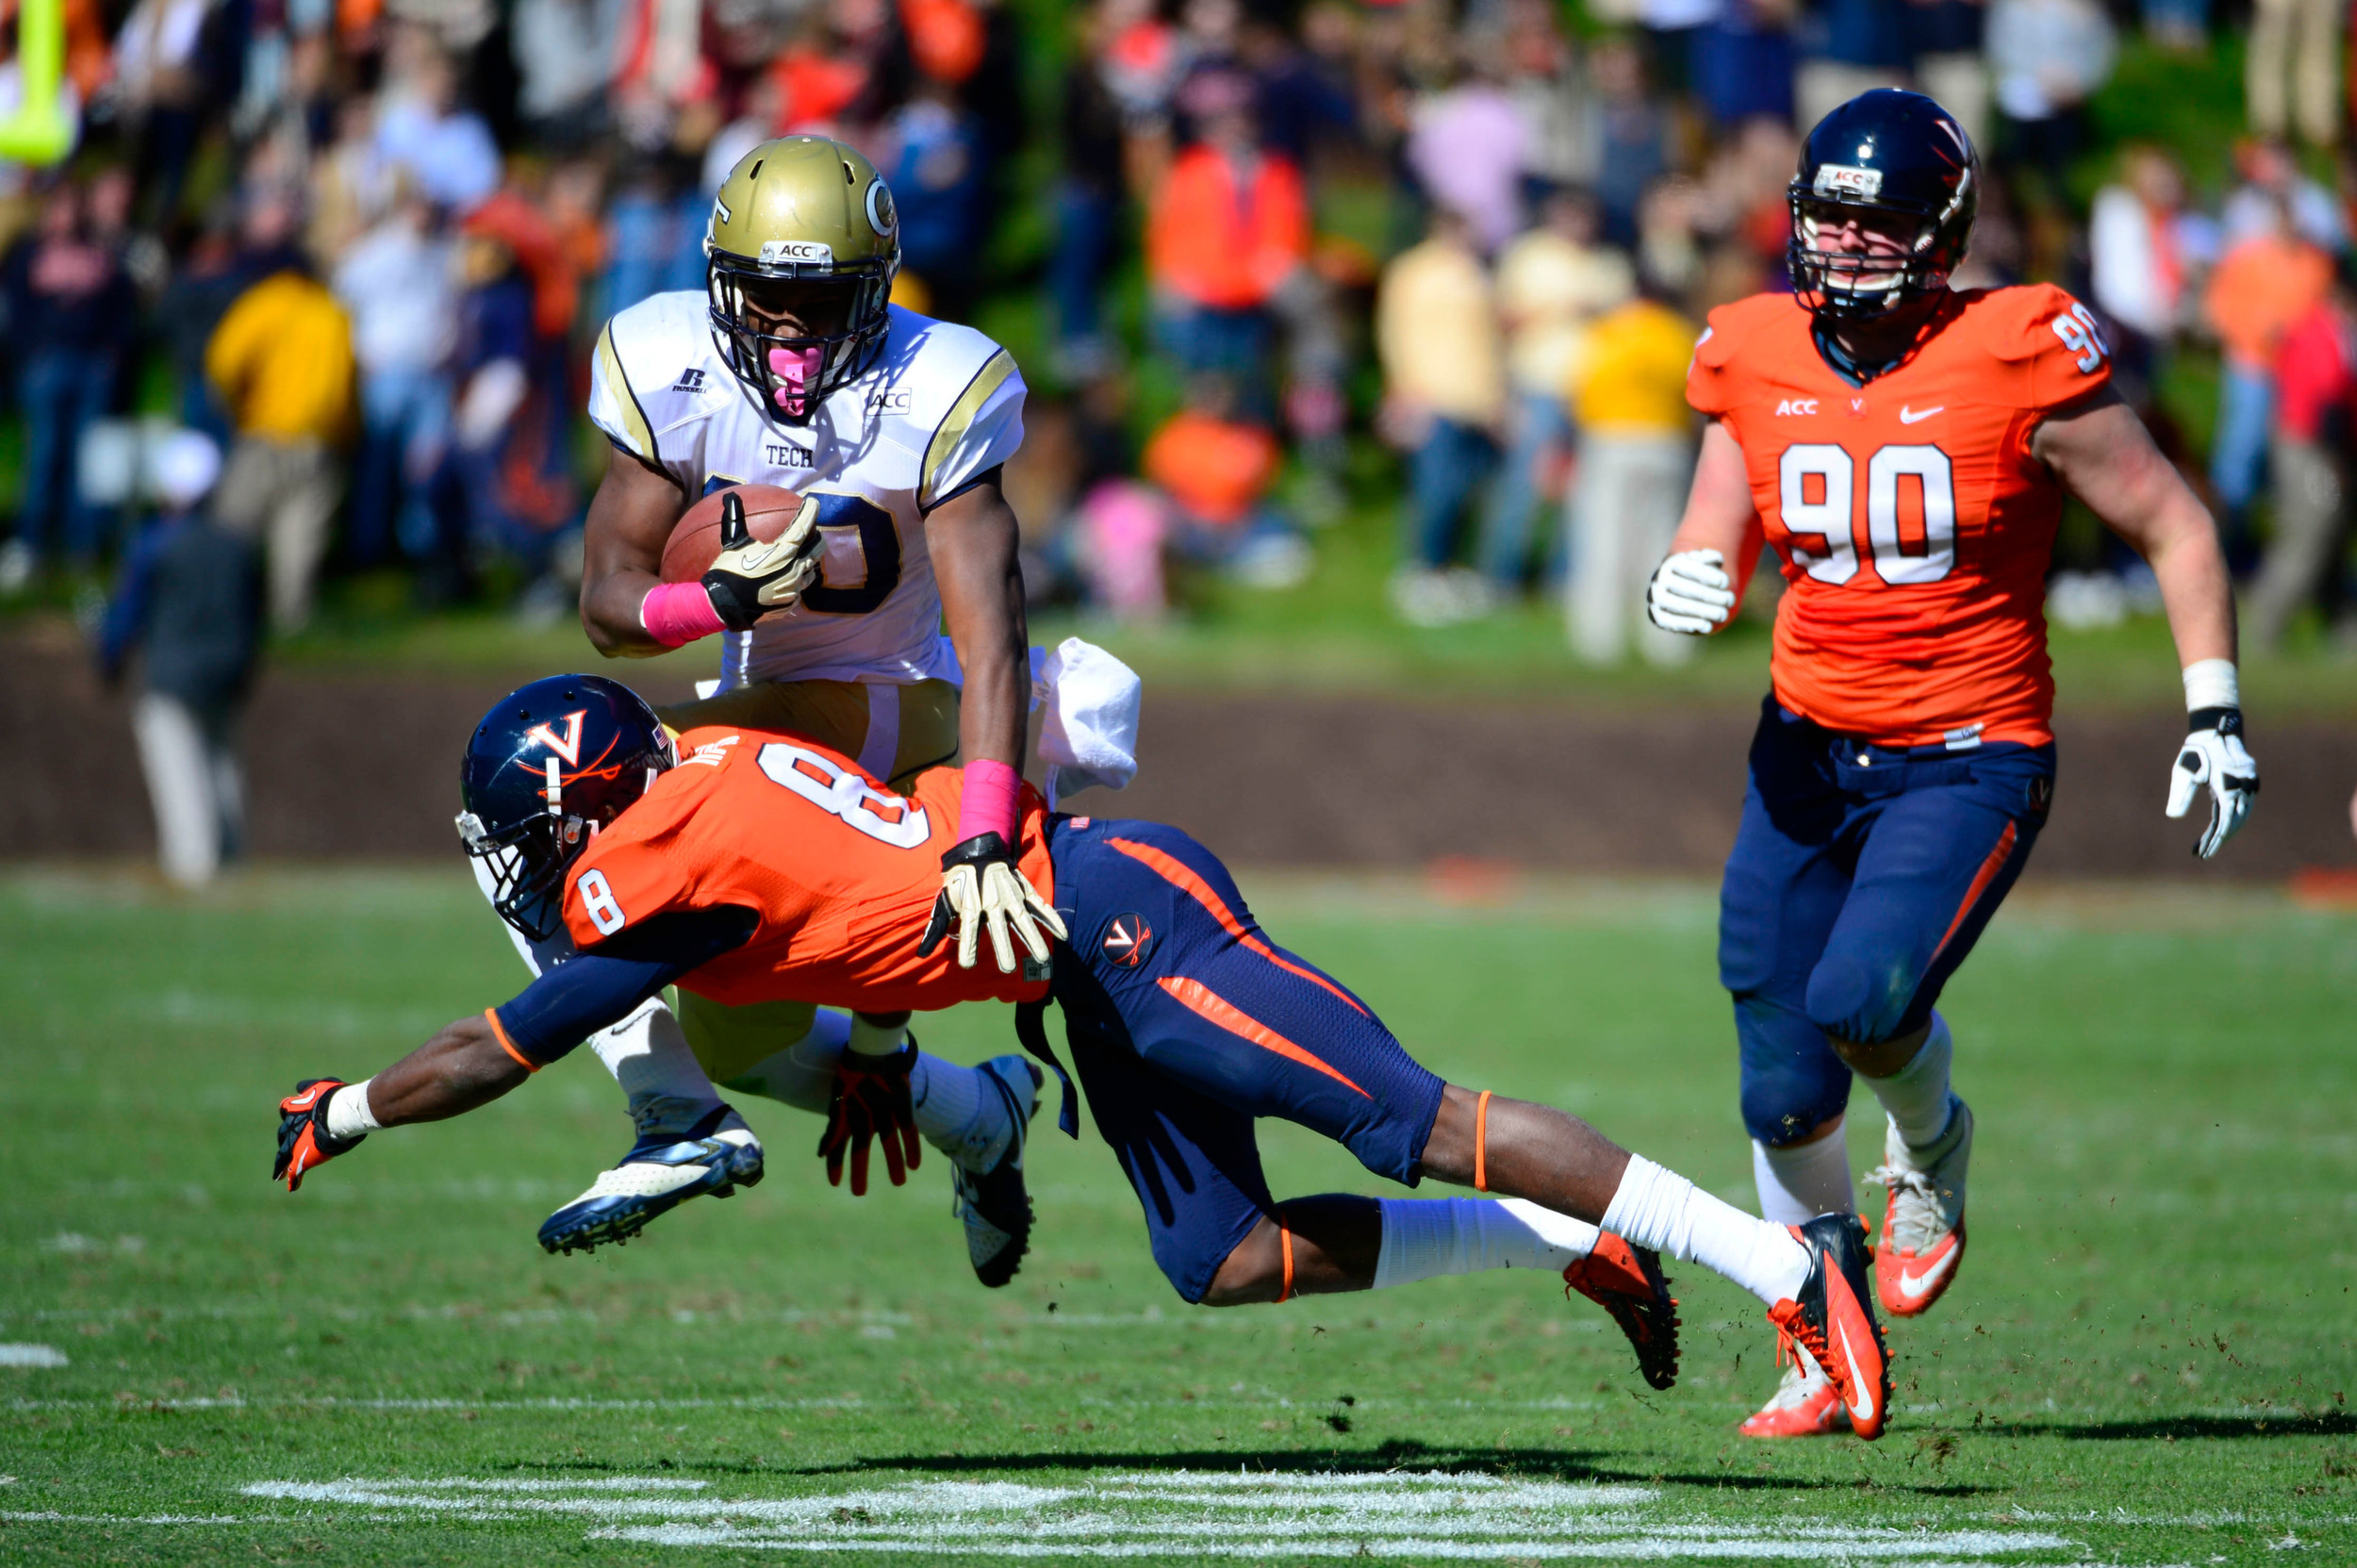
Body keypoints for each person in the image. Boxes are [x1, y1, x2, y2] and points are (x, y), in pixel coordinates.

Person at [274, 672, 1898, 1443]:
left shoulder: (659, 854)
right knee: (1224, 1256)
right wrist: (884, 1041)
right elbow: (855, 881)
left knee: (1417, 1117)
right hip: (1068, 974)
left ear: (591, 802)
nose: (523, 867)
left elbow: (507, 1044)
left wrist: (343, 1106)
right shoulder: (709, 764)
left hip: (1124, 921)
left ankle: (1795, 1271)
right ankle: (1569, 1232)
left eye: (530, 835)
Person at [1644, 91, 2257, 1437]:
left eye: (1882, 225)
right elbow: (1718, 514)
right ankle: (1819, 1325)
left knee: (1865, 1000)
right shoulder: (1749, 344)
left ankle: (1929, 1145)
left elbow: (2174, 523)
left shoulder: (2019, 344)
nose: (1850, 249)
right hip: (1802, 750)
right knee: (1778, 1080)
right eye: (1831, 219)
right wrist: (1688, 575)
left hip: (1967, 751)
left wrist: (2211, 708)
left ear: (1947, 232)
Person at [537, 136, 1056, 1289]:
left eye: (819, 300)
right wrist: (707, 597)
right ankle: (977, 1112)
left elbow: (992, 633)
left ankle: (670, 1115)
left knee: (543, 795)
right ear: (722, 280)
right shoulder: (661, 357)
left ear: (874, 289)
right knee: (742, 1031)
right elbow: (607, 604)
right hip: (754, 717)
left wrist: (978, 826)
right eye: (766, 296)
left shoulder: (942, 381)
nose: (788, 328)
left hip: (901, 705)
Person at [95, 431, 260, 889]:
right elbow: (254, 614)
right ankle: (231, 855)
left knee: (179, 767)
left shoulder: (153, 544)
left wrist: (108, 659)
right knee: (223, 764)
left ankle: (194, 862)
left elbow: (127, 610)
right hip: (227, 669)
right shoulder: (237, 546)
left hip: (171, 671)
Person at [205, 225, 355, 634]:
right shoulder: (332, 312)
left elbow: (222, 363)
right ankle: (292, 623)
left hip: (265, 433)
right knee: (300, 538)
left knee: (235, 529)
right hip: (320, 442)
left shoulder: (264, 302)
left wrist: (237, 409)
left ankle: (216, 612)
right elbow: (348, 384)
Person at [1376, 207, 1506, 627]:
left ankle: (1451, 569)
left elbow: (1488, 342)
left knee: (1469, 492)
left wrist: (1497, 400)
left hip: (1476, 400)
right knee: (1436, 490)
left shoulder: (1477, 274)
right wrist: (1404, 390)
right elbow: (1395, 333)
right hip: (1433, 395)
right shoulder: (1414, 271)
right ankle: (1421, 571)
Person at [1565, 279, 1698, 665]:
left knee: (1604, 541)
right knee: (1663, 543)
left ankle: (1600, 641)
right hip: (1666, 443)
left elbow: (1579, 387)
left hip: (1610, 441)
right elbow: (1696, 392)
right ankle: (1668, 641)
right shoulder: (1679, 335)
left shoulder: (1606, 332)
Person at [2250, 257, 2357, 650]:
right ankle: (2265, 627)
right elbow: (2328, 404)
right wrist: (2337, 463)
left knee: (2334, 529)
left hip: (2322, 450)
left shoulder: (2335, 331)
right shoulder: (2322, 331)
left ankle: (2342, 625)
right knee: (2313, 528)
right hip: (2311, 452)